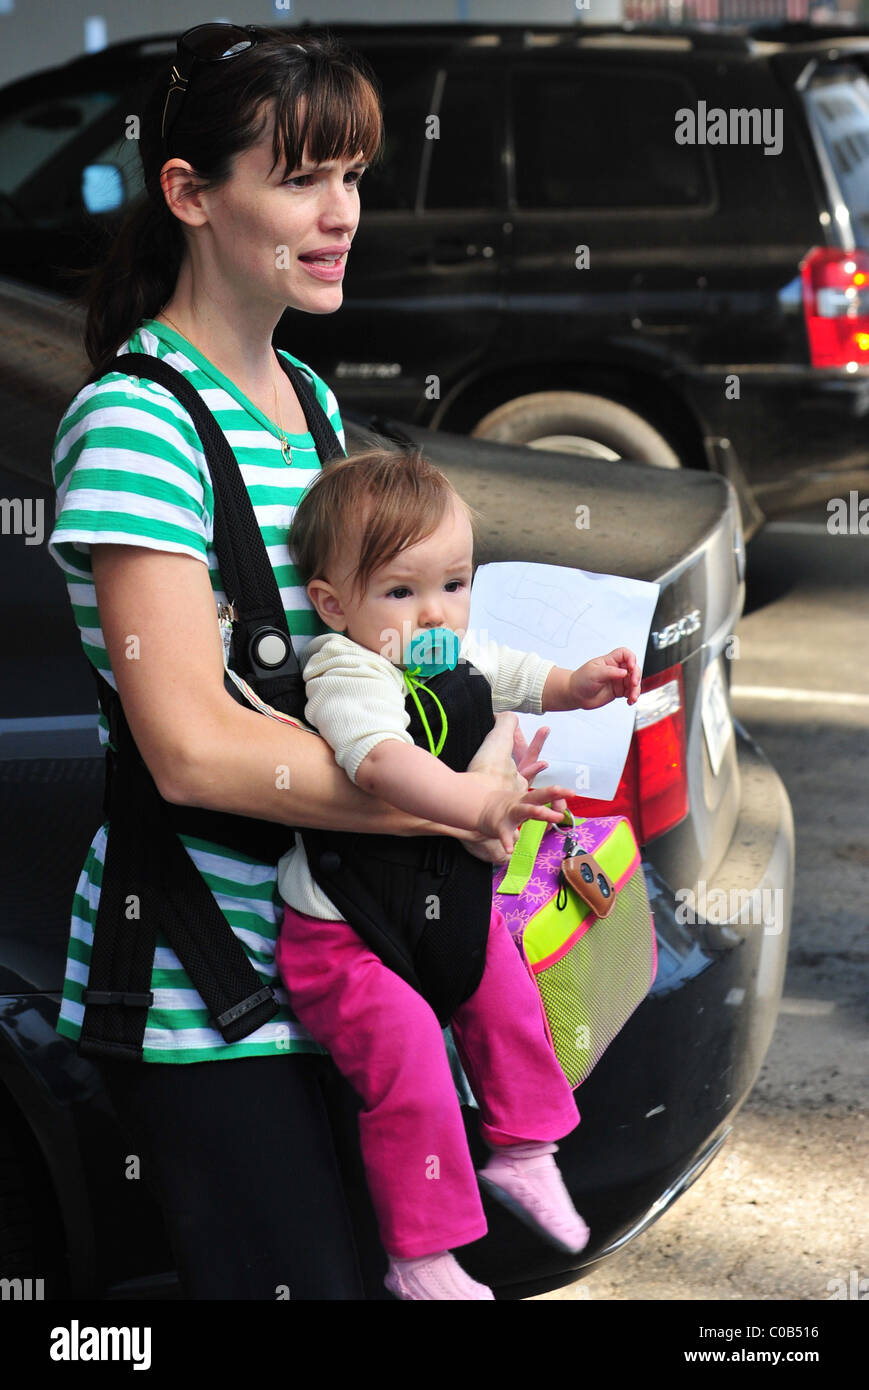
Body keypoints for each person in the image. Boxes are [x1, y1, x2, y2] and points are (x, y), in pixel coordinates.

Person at [46, 23, 556, 1301]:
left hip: (345, 953)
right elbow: (189, 745)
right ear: (189, 194)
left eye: (355, 176)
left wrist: (485, 750)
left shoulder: (310, 405)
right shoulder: (134, 424)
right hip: (206, 989)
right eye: (302, 179)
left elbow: (391, 659)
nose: (343, 215)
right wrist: (446, 807)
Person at [272, 445, 642, 1300]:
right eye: (400, 591)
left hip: (441, 905)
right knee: (410, 1067)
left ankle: (523, 1149)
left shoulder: (439, 646)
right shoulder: (346, 670)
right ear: (332, 604)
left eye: (455, 582)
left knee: (510, 999)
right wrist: (477, 803)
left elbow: (505, 672)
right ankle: (421, 1257)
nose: (434, 611)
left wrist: (573, 684)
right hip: (347, 938)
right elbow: (377, 761)